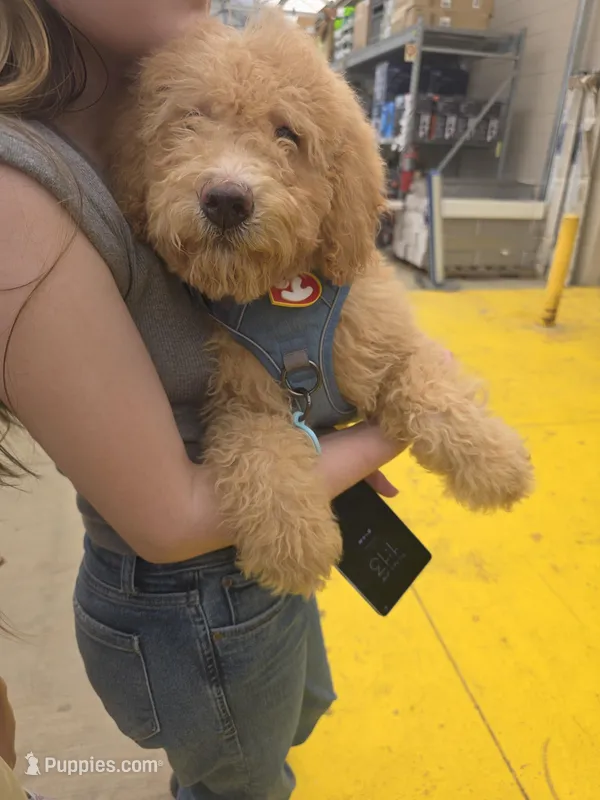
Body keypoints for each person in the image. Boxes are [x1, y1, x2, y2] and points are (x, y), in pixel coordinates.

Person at [0, 1, 404, 798]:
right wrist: (383, 436)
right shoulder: (21, 196)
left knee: (295, 719)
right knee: (241, 785)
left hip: (260, 557)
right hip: (192, 601)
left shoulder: (134, 109)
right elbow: (172, 517)